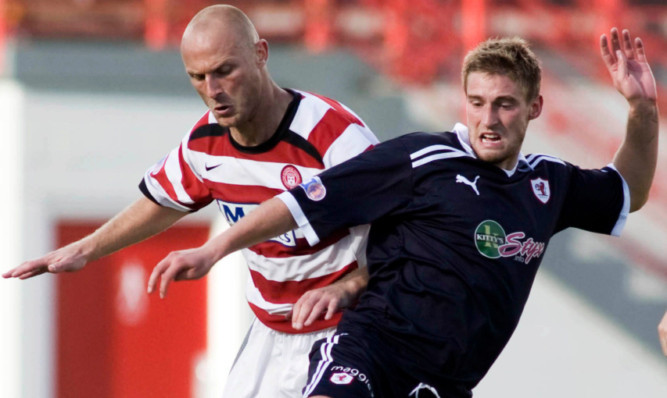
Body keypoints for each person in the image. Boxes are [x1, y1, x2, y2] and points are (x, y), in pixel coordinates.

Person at [146, 27, 658, 397]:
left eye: (504, 104)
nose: (488, 119)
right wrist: (214, 249)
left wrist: (641, 111)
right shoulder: (420, 158)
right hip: (372, 351)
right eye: (476, 102)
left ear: (534, 108)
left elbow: (626, 192)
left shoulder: (550, 183)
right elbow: (298, 203)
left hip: (447, 381)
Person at [3, 4, 379, 397]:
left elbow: (411, 237)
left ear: (260, 54)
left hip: (344, 329)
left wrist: (349, 285)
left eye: (224, 71)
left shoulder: (336, 138)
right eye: (197, 77)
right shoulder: (205, 142)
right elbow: (163, 200)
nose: (213, 91)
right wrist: (86, 249)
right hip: (270, 336)